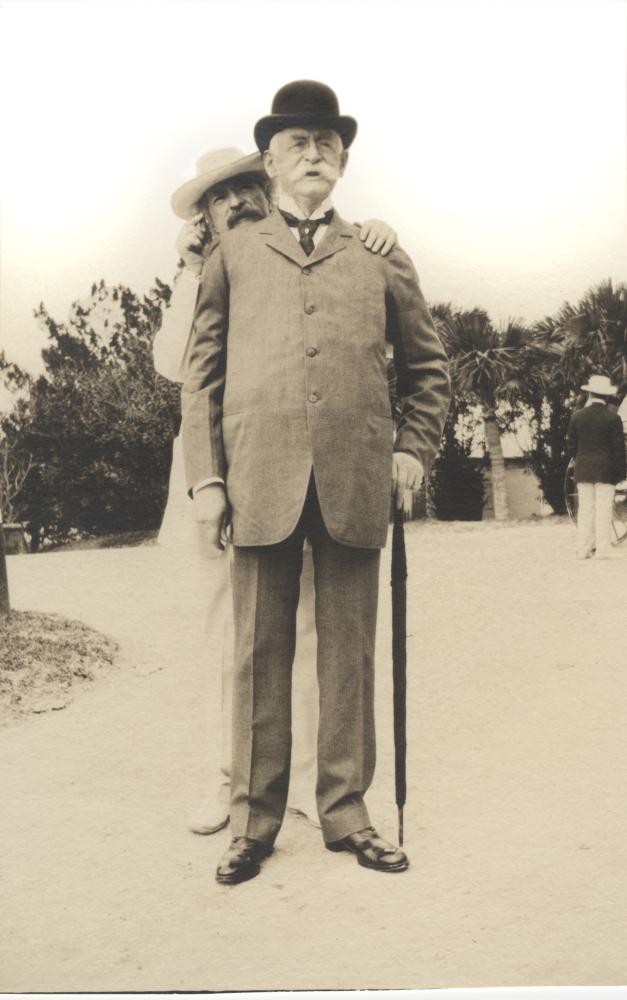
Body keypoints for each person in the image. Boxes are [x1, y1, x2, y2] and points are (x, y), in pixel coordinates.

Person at [182, 80, 450, 886]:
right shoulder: (232, 255)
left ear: (341, 162)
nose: (313, 155)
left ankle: (345, 812)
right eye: (296, 143)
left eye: (326, 144)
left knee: (347, 657)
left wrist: (412, 448)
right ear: (268, 161)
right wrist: (208, 482)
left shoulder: (380, 254)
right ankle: (253, 821)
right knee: (258, 657)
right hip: (258, 479)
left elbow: (427, 366)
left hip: (353, 479)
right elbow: (200, 382)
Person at [153, 146, 399, 836]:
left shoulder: (299, 254)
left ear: (265, 190)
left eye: (242, 188)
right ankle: (226, 783)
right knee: (228, 636)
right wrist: (191, 269)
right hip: (215, 477)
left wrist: (375, 234)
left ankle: (304, 787)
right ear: (202, 216)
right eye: (215, 197)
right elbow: (178, 367)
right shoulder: (205, 271)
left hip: (305, 468)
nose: (233, 203)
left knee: (313, 628)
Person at [566, 374, 626, 560]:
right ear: (606, 396)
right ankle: (602, 551)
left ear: (590, 393)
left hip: (583, 470)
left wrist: (581, 459)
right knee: (603, 510)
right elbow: (618, 450)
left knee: (585, 510)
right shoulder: (613, 418)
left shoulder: (577, 417)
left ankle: (583, 549)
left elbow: (571, 447)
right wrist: (623, 475)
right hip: (606, 471)